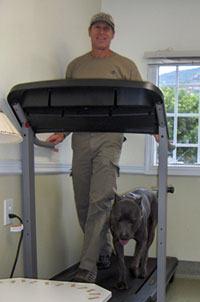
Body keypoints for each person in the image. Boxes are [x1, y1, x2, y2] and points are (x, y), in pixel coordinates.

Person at [47, 12, 142, 283]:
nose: (102, 32)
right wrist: (62, 132)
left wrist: (157, 129)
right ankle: (102, 250)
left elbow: (141, 101)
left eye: (107, 29)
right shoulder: (75, 66)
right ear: (90, 32)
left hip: (110, 137)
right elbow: (69, 105)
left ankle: (87, 267)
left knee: (100, 200)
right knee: (82, 201)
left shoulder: (125, 65)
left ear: (113, 35)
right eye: (97, 28)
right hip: (81, 138)